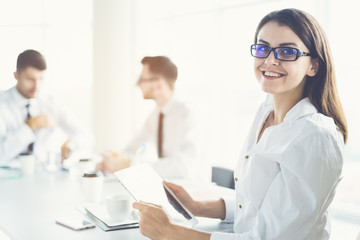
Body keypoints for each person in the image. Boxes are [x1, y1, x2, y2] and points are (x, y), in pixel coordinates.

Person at [132, 8, 347, 240]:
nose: (270, 60)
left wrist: (170, 233)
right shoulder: (266, 110)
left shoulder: (315, 137)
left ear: (313, 66)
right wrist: (196, 206)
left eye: (287, 51)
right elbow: (257, 205)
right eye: (263, 48)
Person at [96, 56, 199, 179]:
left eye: (142, 79)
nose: (138, 84)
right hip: (172, 188)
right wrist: (113, 160)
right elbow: (135, 146)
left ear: (159, 85)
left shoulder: (188, 114)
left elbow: (182, 168)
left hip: (195, 191)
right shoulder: (156, 115)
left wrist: (128, 164)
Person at [0, 49, 94, 166]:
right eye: (30, 79)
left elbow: (85, 135)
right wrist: (30, 126)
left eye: (41, 79)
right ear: (16, 75)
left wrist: (71, 145)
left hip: (43, 174)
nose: (36, 86)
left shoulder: (50, 101)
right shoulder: (2, 103)